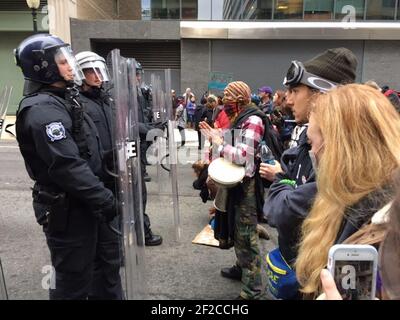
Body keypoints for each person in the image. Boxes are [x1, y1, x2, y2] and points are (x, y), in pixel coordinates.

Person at [14, 34, 122, 299]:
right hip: (69, 210)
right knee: (72, 282)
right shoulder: (42, 110)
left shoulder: (64, 99)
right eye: (63, 62)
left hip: (88, 204)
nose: (71, 66)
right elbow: (66, 165)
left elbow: (85, 147)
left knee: (105, 268)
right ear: (44, 67)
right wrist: (103, 198)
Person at [260, 48, 358, 298]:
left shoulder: (340, 157)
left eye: (295, 91)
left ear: (321, 96)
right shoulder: (307, 138)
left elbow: (280, 210)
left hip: (318, 281)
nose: (288, 100)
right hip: (299, 266)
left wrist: (282, 180)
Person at [295, 84, 400, 298]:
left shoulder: (389, 231)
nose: (312, 152)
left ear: (337, 149)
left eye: (311, 142)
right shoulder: (344, 200)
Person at [200, 81, 265, 300]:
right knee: (237, 230)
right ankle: (241, 267)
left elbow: (242, 156)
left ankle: (252, 290)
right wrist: (217, 135)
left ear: (240, 100)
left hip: (247, 188)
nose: (224, 104)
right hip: (237, 185)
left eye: (228, 99)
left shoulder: (253, 120)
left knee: (247, 237)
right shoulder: (241, 118)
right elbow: (232, 142)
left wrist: (218, 142)